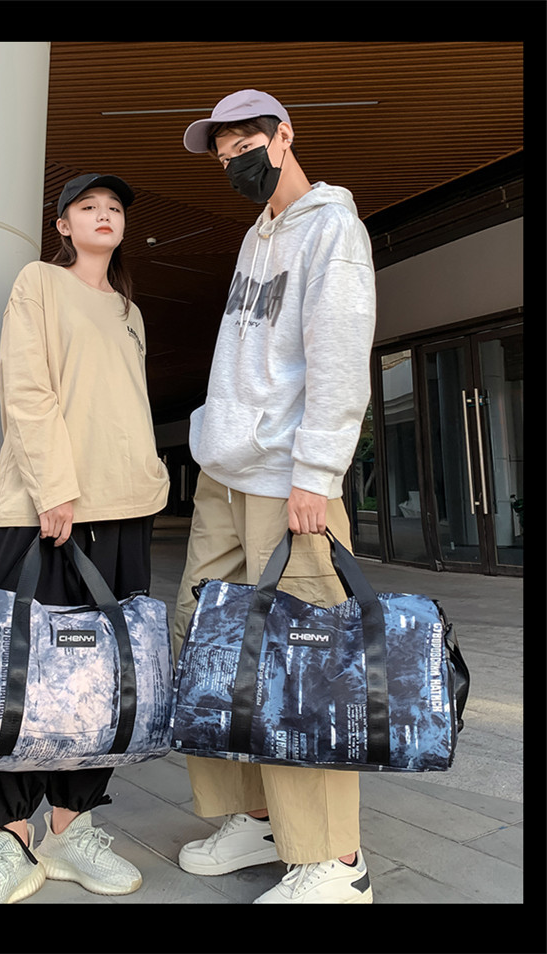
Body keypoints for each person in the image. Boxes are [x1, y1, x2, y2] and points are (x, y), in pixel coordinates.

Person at [173, 90, 376, 904]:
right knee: (210, 648)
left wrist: (316, 474)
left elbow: (339, 355)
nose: (233, 162)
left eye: (244, 145)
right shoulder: (255, 236)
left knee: (304, 664)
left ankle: (334, 860)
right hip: (223, 475)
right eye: (222, 154)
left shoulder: (332, 229)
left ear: (285, 136)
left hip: (288, 482)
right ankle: (257, 817)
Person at [0, 173, 169, 903]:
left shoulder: (130, 312)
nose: (104, 215)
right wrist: (54, 487)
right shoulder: (39, 284)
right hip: (46, 506)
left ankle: (70, 831)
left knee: (101, 679)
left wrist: (150, 479)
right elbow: (26, 387)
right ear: (64, 226)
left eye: (114, 208)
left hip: (125, 508)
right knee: (5, 671)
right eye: (88, 207)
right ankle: (8, 840)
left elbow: (124, 408)